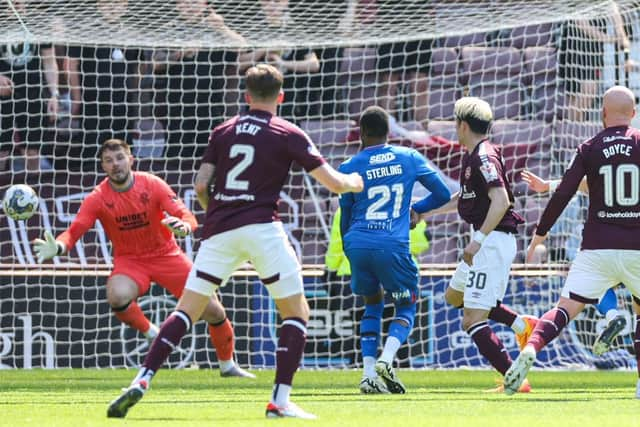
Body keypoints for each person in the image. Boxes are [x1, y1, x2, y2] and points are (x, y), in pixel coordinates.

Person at [107, 64, 364, 419]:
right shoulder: (288, 132)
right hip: (262, 228)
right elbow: (332, 183)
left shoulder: (223, 130)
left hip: (221, 231)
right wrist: (354, 182)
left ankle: (142, 379)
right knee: (296, 312)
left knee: (185, 311)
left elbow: (200, 185)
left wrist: (215, 212)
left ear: (246, 96)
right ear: (281, 96)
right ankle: (280, 400)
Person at [32, 139, 253, 378]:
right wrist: (60, 246)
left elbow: (187, 215)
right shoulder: (97, 197)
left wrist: (185, 227)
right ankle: (151, 332)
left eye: (119, 158)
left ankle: (227, 365)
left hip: (167, 256)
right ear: (103, 166)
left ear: (130, 160)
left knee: (215, 312)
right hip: (130, 261)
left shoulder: (152, 184)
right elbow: (75, 230)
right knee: (117, 295)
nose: (115, 164)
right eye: (108, 161)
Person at [504, 86, 640, 396]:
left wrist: (539, 235)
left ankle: (531, 349)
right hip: (636, 246)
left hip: (596, 247)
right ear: (633, 114)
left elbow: (566, 192)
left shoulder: (590, 147)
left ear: (602, 113)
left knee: (564, 309)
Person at [417, 97, 536, 393]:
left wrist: (478, 240)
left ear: (463, 125)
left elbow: (502, 201)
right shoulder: (475, 155)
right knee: (454, 297)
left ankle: (514, 377)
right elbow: (465, 196)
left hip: (491, 243)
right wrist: (425, 212)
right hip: (486, 241)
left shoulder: (483, 157)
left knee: (471, 318)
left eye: (455, 122)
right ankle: (522, 325)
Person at [337, 106, 450, 394]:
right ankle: (387, 360)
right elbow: (443, 194)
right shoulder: (408, 157)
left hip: (358, 244)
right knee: (406, 304)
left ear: (361, 133)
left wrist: (351, 251)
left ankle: (367, 374)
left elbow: (346, 216)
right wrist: (417, 210)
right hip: (393, 245)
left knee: (372, 304)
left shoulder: (349, 166)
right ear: (389, 132)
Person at [522, 169, 628, 356]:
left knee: (567, 305)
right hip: (630, 250)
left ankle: (531, 348)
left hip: (597, 252)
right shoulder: (624, 175)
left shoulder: (598, 176)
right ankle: (613, 316)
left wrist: (547, 185)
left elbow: (581, 183)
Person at [0, 1, 59, 171]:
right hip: (2, 97)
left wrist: (53, 94)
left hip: (32, 94)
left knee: (33, 150)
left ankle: (32, 194)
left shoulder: (39, 21)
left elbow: (49, 60)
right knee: (1, 151)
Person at [325, 206, 431, 277]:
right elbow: (419, 243)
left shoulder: (346, 207)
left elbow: (337, 246)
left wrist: (331, 269)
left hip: (355, 273)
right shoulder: (403, 205)